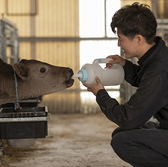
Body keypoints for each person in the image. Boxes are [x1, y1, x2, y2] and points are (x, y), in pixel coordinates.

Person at [83, 2, 168, 167]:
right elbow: (145, 80)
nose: (118, 44)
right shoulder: (157, 58)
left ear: (138, 39)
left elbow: (128, 118)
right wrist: (124, 64)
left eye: (120, 39)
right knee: (121, 133)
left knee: (123, 141)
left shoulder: (159, 70)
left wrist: (101, 94)